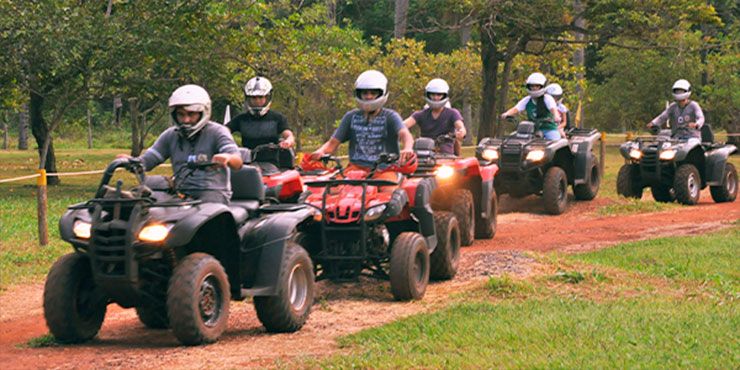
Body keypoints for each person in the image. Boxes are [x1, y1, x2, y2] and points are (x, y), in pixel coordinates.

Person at [118, 84, 243, 204]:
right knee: (147, 209)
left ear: (203, 112)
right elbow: (147, 162)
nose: (185, 120)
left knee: (204, 217)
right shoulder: (171, 135)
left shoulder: (217, 131)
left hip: (213, 192)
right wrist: (130, 162)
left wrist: (228, 158)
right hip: (180, 193)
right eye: (181, 114)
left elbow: (237, 162)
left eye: (191, 114)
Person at [309, 70, 415, 188]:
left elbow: (405, 134)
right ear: (358, 94)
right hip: (355, 169)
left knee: (388, 194)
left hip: (384, 170)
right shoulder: (351, 117)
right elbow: (332, 143)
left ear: (382, 93)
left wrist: (408, 148)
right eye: (365, 93)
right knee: (332, 191)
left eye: (373, 93)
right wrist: (320, 152)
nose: (368, 96)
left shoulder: (390, 116)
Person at [226, 76, 295, 150]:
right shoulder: (241, 119)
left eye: (260, 97)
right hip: (246, 159)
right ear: (248, 98)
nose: (257, 101)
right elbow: (224, 131)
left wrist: (288, 141)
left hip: (272, 159)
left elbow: (289, 135)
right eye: (254, 98)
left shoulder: (278, 118)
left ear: (267, 97)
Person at [403, 78, 466, 155]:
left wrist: (461, 132)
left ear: (445, 95)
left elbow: (460, 126)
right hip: (423, 154)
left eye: (439, 95)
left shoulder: (452, 113)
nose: (436, 97)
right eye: (433, 94)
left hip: (446, 157)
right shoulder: (420, 114)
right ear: (428, 95)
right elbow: (402, 125)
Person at [500, 72, 562, 140]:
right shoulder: (527, 100)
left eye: (537, 86)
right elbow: (516, 108)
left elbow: (553, 108)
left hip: (548, 129)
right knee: (514, 140)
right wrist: (507, 114)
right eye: (532, 86)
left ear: (542, 86)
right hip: (531, 130)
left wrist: (556, 116)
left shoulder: (547, 98)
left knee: (555, 141)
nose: (534, 88)